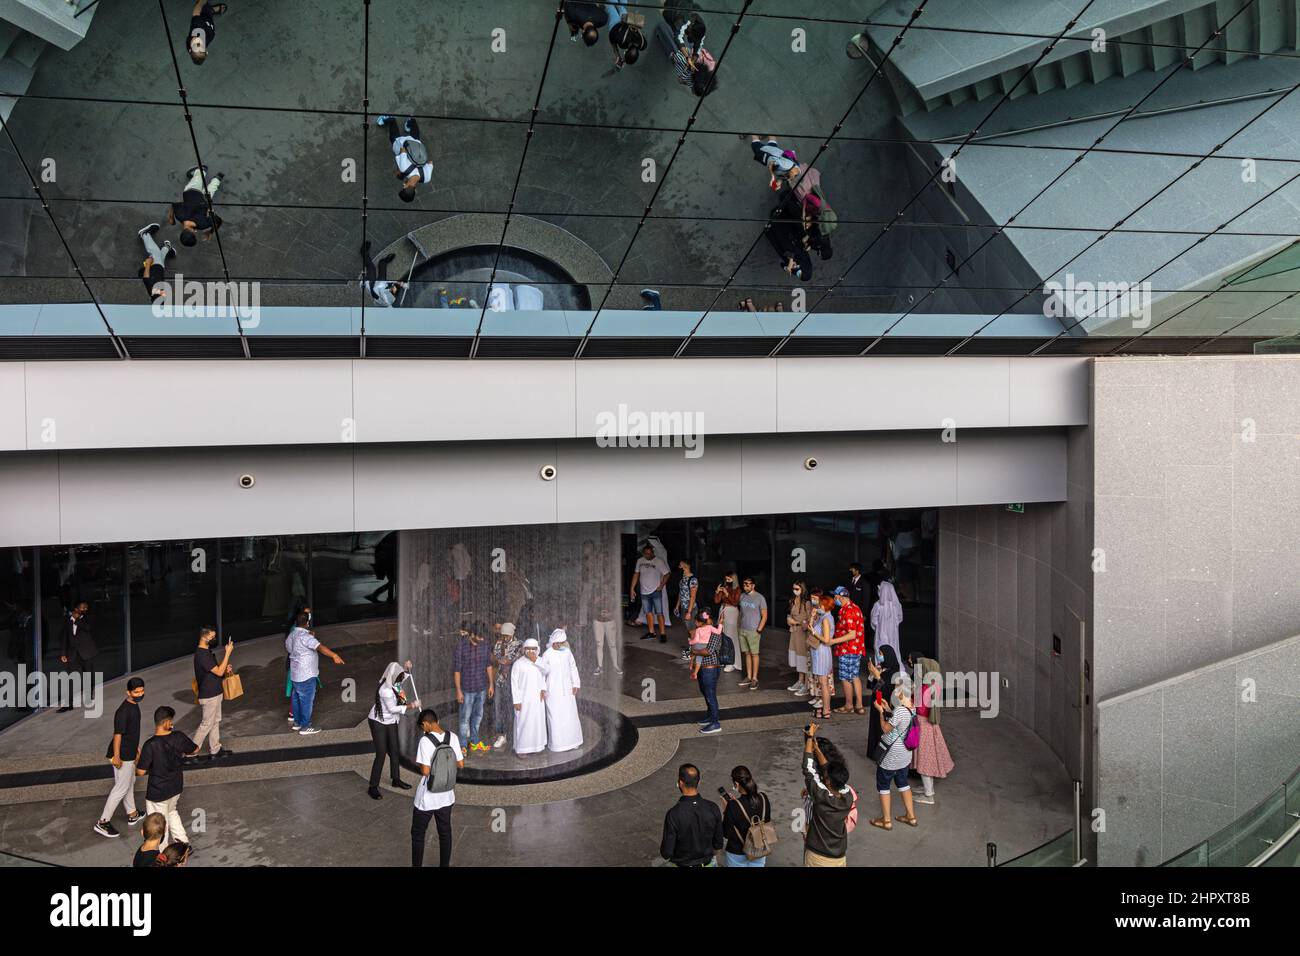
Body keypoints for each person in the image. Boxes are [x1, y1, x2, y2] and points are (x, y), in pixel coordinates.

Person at [135, 706, 200, 846]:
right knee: (171, 812)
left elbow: (140, 772)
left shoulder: (150, 745)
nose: (172, 724)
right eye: (171, 721)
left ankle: (161, 853)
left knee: (158, 824)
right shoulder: (178, 736)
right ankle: (183, 844)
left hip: (158, 792)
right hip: (176, 787)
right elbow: (195, 750)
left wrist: (137, 760)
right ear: (165, 723)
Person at [411, 708, 464, 867]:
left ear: (426, 724)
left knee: (418, 834)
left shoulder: (425, 741)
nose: (423, 730)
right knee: (445, 833)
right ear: (437, 721)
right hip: (447, 796)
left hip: (428, 798)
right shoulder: (452, 737)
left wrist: (422, 763)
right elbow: (460, 764)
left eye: (423, 727)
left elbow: (426, 771)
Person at [95, 677, 146, 838]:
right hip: (122, 756)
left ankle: (132, 814)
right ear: (128, 692)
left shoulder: (134, 706)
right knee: (121, 788)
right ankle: (102, 822)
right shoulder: (123, 711)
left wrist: (136, 747)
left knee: (129, 783)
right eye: (136, 692)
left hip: (129, 752)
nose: (140, 694)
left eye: (142, 691)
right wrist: (117, 757)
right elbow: (117, 735)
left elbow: (131, 732)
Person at [284, 610, 345, 735]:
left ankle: (297, 723)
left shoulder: (291, 636)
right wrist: (334, 655)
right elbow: (320, 647)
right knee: (306, 701)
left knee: (296, 699)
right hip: (306, 675)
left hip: (295, 674)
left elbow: (290, 649)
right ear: (307, 623)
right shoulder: (306, 637)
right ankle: (305, 726)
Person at [801, 722, 854, 866]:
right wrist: (817, 749)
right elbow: (827, 771)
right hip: (839, 857)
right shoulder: (848, 796)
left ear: (828, 782)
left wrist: (810, 738)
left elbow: (808, 770)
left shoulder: (822, 797)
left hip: (818, 857)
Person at [367, 660, 419, 800]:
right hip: (378, 721)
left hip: (391, 721)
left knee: (395, 750)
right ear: (394, 676)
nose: (402, 678)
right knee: (381, 753)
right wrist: (412, 705)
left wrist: (408, 669)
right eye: (400, 676)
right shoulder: (386, 690)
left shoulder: (395, 682)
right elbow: (393, 709)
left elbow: (404, 676)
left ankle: (396, 779)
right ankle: (373, 787)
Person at [908, 653, 954, 805]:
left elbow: (919, 708)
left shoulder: (925, 687)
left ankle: (928, 795)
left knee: (924, 760)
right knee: (928, 757)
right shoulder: (934, 684)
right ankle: (928, 788)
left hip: (922, 725)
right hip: (930, 725)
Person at [872, 683, 919, 830]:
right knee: (903, 783)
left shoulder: (899, 710)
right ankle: (911, 817)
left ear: (899, 695)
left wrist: (880, 711)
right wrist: (887, 709)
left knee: (883, 785)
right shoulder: (912, 709)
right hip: (905, 755)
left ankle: (886, 820)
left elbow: (886, 729)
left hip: (891, 756)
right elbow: (900, 722)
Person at [659, 763, 723, 867]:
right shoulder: (712, 807)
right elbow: (718, 843)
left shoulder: (673, 814)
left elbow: (667, 852)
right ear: (698, 781)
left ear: (680, 783)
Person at [192, 626, 235, 761]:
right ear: (204, 637)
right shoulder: (202, 654)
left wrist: (225, 669)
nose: (214, 639)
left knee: (215, 721)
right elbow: (218, 672)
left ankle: (215, 749)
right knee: (206, 724)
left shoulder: (207, 652)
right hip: (209, 695)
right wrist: (227, 653)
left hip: (215, 692)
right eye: (212, 637)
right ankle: (190, 753)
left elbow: (216, 672)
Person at [453, 622, 495, 754]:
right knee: (464, 718)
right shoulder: (461, 646)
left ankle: (475, 742)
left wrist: (491, 684)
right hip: (467, 689)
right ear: (472, 634)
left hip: (481, 687)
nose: (482, 639)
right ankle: (462, 745)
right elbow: (457, 670)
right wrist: (458, 690)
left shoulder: (485, 644)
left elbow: (488, 665)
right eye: (479, 637)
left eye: (483, 637)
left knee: (478, 716)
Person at [539, 628, 583, 752]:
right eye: (559, 643)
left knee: (570, 715)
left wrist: (576, 684)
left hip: (568, 690)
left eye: (563, 643)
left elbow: (573, 667)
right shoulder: (547, 654)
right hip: (553, 690)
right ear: (553, 642)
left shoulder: (567, 652)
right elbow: (542, 673)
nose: (561, 645)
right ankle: (557, 744)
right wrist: (542, 689)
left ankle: (574, 741)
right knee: (555, 716)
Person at [720, 765, 772, 867]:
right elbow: (767, 821)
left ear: (736, 784)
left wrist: (727, 810)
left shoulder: (733, 806)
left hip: (737, 853)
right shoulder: (763, 797)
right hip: (759, 849)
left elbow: (726, 833)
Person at [375, 115, 433, 203]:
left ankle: (411, 120)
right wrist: (400, 168)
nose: (403, 185)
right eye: (403, 187)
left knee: (415, 137)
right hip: (403, 142)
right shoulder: (403, 168)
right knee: (393, 138)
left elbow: (430, 162)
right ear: (406, 187)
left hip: (417, 145)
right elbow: (403, 150)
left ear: (415, 191)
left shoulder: (426, 178)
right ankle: (391, 120)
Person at [167, 165, 223, 248]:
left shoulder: (203, 224)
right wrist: (171, 217)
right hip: (192, 191)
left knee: (212, 189)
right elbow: (174, 205)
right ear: (182, 232)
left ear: (193, 232)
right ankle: (202, 170)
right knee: (198, 178)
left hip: (204, 200)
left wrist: (210, 232)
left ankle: (217, 178)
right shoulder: (179, 215)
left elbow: (218, 221)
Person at [831, 585, 866, 715]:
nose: (834, 599)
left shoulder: (848, 611)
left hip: (848, 649)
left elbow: (852, 634)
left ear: (842, 597)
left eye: (836, 596)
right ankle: (860, 706)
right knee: (855, 676)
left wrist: (833, 641)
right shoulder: (855, 608)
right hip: (856, 649)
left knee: (846, 678)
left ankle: (849, 705)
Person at [56, 600, 96, 712]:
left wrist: (76, 619)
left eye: (86, 607)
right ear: (76, 609)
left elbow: (88, 628)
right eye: (82, 607)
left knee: (88, 676)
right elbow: (64, 637)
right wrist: (63, 653)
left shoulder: (89, 618)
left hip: (87, 653)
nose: (85, 609)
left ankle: (89, 695)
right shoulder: (67, 621)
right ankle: (68, 704)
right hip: (73, 654)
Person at [510, 638, 548, 755]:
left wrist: (543, 688)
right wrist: (516, 701)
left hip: (537, 699)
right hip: (523, 700)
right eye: (528, 649)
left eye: (533, 649)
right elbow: (514, 684)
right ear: (524, 649)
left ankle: (537, 747)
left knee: (537, 723)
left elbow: (546, 673)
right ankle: (522, 749)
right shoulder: (518, 664)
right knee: (524, 723)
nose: (531, 651)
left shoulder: (540, 661)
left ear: (537, 649)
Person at [689, 611, 724, 735]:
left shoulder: (714, 632)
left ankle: (715, 723)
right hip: (702, 667)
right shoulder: (703, 629)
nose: (706, 621)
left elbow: (708, 651)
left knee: (710, 694)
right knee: (704, 692)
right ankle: (710, 716)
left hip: (710, 667)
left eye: (707, 618)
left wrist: (694, 651)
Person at [865, 644, 902, 760]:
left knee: (883, 729)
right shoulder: (881, 668)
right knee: (874, 727)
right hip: (876, 703)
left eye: (881, 654)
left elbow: (887, 689)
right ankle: (874, 752)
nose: (879, 656)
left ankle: (883, 754)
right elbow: (870, 686)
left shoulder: (894, 672)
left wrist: (878, 676)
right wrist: (872, 674)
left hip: (885, 706)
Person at [489, 622, 522, 749]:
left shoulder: (519, 644)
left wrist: (509, 662)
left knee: (512, 707)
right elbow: (495, 658)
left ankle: (514, 733)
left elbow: (519, 660)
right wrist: (500, 661)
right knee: (498, 708)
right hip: (500, 681)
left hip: (513, 682)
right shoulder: (498, 644)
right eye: (503, 635)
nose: (505, 638)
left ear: (512, 634)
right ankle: (501, 735)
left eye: (507, 636)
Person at [629, 542, 670, 643]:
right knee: (648, 613)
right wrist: (632, 588)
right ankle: (651, 632)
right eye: (646, 553)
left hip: (655, 591)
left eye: (649, 553)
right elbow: (636, 574)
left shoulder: (659, 561)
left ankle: (663, 633)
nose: (648, 555)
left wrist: (661, 586)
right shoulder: (640, 561)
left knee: (659, 613)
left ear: (653, 552)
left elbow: (667, 574)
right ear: (643, 553)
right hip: (644, 592)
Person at [736, 576, 767, 690]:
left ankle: (755, 678)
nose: (745, 586)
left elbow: (764, 615)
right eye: (744, 584)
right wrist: (738, 626)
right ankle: (748, 677)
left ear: (753, 585)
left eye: (748, 584)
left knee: (754, 654)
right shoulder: (742, 596)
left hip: (753, 630)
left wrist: (759, 629)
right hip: (743, 630)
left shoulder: (760, 598)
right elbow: (741, 613)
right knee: (747, 654)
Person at [807, 594, 836, 719]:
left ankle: (826, 710)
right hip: (819, 651)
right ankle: (825, 709)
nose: (817, 606)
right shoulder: (823, 616)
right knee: (822, 681)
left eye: (819, 604)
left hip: (822, 652)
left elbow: (826, 639)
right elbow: (810, 626)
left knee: (823, 683)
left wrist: (814, 633)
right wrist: (813, 616)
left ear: (824, 605)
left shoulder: (825, 619)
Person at [358, 242, 406, 309]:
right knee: (382, 265)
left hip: (372, 284)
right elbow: (393, 285)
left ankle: (363, 252)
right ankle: (383, 261)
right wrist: (401, 284)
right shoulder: (392, 298)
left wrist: (364, 278)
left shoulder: (382, 300)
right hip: (381, 283)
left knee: (371, 267)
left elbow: (374, 291)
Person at [136, 223, 175, 304]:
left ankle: (144, 234)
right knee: (160, 259)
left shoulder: (153, 289)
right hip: (159, 269)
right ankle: (166, 248)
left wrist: (148, 264)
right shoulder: (159, 292)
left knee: (154, 251)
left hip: (152, 267)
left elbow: (146, 278)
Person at [786, 580, 811, 696]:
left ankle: (806, 684)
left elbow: (809, 620)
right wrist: (790, 620)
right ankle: (800, 681)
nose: (795, 591)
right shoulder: (792, 600)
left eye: (797, 589)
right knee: (797, 656)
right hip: (794, 633)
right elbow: (789, 615)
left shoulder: (807, 603)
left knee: (803, 657)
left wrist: (796, 622)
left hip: (802, 633)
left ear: (802, 589)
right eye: (794, 589)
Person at [870, 580, 904, 664]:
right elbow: (900, 618)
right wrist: (894, 625)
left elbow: (873, 620)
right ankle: (893, 666)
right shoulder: (897, 605)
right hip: (893, 633)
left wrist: (879, 627)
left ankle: (880, 667)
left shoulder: (878, 605)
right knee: (894, 648)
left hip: (881, 632)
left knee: (880, 649)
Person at [713, 571, 741, 673]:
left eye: (729, 579)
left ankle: (732, 663)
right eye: (726, 579)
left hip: (732, 612)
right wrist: (717, 591)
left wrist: (727, 594)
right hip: (723, 610)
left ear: (734, 579)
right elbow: (716, 601)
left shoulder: (737, 589)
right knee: (722, 635)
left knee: (731, 636)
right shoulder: (724, 587)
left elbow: (735, 602)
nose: (727, 581)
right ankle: (724, 658)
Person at [675, 559, 699, 662]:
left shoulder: (693, 579)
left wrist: (689, 612)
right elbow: (681, 593)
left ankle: (694, 652)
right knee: (688, 630)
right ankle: (691, 649)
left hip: (691, 608)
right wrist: (677, 606)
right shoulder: (683, 578)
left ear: (687, 564)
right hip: (684, 607)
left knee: (692, 630)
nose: (679, 564)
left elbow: (693, 597)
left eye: (681, 562)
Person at [591, 597, 621, 676]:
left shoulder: (612, 595)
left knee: (612, 645)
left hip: (610, 621)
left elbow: (618, 609)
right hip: (598, 621)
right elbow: (591, 607)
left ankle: (615, 666)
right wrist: (598, 612)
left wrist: (610, 614)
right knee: (599, 644)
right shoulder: (595, 593)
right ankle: (600, 667)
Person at [687, 610, 721, 680]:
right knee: (699, 658)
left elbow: (696, 640)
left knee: (693, 651)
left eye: (696, 622)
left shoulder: (698, 630)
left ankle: (691, 664)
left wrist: (690, 642)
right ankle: (695, 673)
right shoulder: (710, 627)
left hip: (698, 645)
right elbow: (718, 632)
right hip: (705, 646)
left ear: (701, 622)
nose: (695, 623)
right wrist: (720, 624)